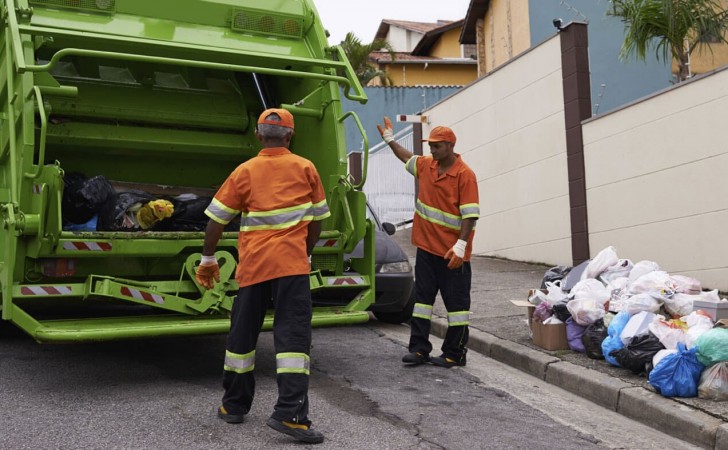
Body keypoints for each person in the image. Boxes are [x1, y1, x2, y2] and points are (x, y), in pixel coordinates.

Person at [196, 108, 329, 444]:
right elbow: (317, 221)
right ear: (289, 135)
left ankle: (233, 406)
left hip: (253, 267)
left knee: (241, 338)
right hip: (291, 267)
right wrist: (306, 250)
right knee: (293, 340)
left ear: (258, 135)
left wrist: (208, 257)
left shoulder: (245, 171)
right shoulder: (305, 168)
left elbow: (216, 219)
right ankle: (291, 415)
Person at [377, 117, 479, 368]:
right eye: (430, 145)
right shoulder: (427, 166)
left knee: (457, 307)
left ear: (450, 146)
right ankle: (419, 349)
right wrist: (390, 140)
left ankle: (455, 353)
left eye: (437, 146)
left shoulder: (465, 175)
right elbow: (406, 157)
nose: (431, 150)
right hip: (426, 251)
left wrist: (461, 246)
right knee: (421, 302)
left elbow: (470, 214)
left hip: (452, 254)